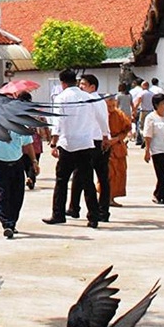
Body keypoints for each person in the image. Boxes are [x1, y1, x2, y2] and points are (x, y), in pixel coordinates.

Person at [44, 68, 101, 228]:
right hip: (85, 143)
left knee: (62, 181)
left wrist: (54, 142)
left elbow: (57, 122)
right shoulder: (87, 97)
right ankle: (93, 216)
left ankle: (58, 214)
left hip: (68, 144)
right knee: (88, 181)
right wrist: (103, 135)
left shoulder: (61, 98)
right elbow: (97, 118)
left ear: (62, 83)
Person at [0, 99, 38, 239]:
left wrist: (34, 161)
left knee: (17, 195)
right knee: (4, 194)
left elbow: (28, 145)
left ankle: (12, 222)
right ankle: (7, 224)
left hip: (17, 164)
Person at [67, 74, 110, 221]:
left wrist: (105, 136)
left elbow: (102, 120)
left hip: (93, 142)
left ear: (93, 87)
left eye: (84, 84)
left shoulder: (92, 100)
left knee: (86, 176)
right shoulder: (95, 100)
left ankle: (91, 209)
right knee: (88, 176)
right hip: (94, 141)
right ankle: (95, 210)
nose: (81, 87)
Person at [143, 92, 164, 206]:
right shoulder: (151, 118)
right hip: (157, 150)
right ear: (156, 105)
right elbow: (147, 135)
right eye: (163, 104)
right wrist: (147, 151)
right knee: (163, 174)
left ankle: (158, 194)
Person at [103, 93, 131, 206]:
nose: (111, 106)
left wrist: (117, 139)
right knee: (107, 174)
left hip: (118, 147)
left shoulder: (119, 114)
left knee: (119, 173)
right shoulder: (101, 114)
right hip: (105, 147)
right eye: (108, 103)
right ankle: (105, 197)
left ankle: (112, 197)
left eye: (112, 102)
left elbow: (126, 129)